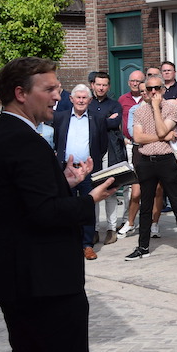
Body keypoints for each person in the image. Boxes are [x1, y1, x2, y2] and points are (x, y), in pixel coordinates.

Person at [0, 57, 115, 352]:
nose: (58, 96)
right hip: (47, 285)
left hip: (20, 280)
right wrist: (90, 198)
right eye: (49, 89)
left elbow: (23, 201)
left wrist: (65, 182)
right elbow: (43, 214)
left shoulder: (2, 135)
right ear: (20, 93)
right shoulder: (23, 141)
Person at [125, 76, 177, 261]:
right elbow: (138, 138)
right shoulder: (139, 111)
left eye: (156, 88)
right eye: (149, 89)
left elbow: (163, 129)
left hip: (166, 160)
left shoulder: (172, 108)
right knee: (146, 205)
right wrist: (163, 137)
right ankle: (143, 247)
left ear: (163, 89)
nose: (153, 92)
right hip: (146, 161)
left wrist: (156, 108)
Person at [52, 84, 109, 260]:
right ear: (71, 99)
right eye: (78, 97)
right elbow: (57, 141)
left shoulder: (98, 118)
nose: (81, 101)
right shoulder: (60, 117)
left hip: (87, 171)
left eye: (85, 98)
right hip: (66, 170)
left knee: (87, 207)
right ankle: (68, 242)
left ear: (90, 100)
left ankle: (87, 245)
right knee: (66, 206)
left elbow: (102, 145)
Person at [88, 72, 125, 245]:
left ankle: (111, 228)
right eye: (98, 84)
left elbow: (114, 123)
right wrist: (105, 120)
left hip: (110, 152)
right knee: (93, 192)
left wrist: (96, 120)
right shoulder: (88, 103)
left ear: (108, 86)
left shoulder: (115, 104)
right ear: (92, 85)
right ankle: (94, 229)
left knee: (110, 190)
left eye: (104, 85)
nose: (101, 88)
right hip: (92, 152)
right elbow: (94, 123)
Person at [116, 70, 146, 239]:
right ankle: (128, 219)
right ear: (128, 82)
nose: (135, 84)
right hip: (130, 144)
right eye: (132, 81)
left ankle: (150, 222)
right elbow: (120, 122)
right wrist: (124, 138)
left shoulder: (147, 98)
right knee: (130, 185)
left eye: (138, 81)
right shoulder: (123, 100)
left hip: (147, 146)